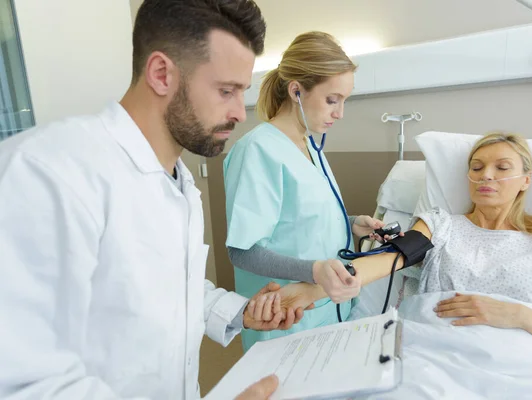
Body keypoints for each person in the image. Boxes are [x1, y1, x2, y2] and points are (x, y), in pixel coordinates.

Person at [0, 1, 309, 399]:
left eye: (242, 92)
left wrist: (240, 311)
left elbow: (168, 291)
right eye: (226, 91)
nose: (239, 112)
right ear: (162, 74)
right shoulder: (47, 174)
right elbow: (22, 381)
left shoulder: (179, 186)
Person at [274, 132, 532, 374]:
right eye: (477, 167)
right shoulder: (441, 226)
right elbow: (391, 258)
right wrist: (313, 290)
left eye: (502, 168)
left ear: (526, 180)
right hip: (436, 362)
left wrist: (520, 316)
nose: (486, 175)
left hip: (527, 371)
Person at [223, 31, 386, 350]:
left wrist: (351, 222)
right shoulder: (257, 150)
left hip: (329, 311)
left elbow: (300, 220)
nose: (340, 113)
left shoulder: (311, 147)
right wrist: (313, 271)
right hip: (285, 323)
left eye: (344, 101)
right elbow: (243, 249)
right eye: (332, 100)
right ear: (296, 91)